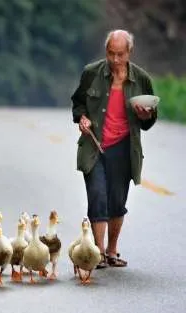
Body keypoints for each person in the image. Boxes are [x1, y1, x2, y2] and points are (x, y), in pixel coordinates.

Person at [71, 29, 158, 268]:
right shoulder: (91, 73)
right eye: (111, 53)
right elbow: (78, 104)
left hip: (123, 147)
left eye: (120, 54)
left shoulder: (141, 79)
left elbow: (149, 121)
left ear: (129, 52)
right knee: (97, 196)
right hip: (94, 145)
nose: (115, 60)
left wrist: (145, 115)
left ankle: (112, 250)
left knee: (117, 201)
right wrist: (82, 118)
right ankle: (98, 252)